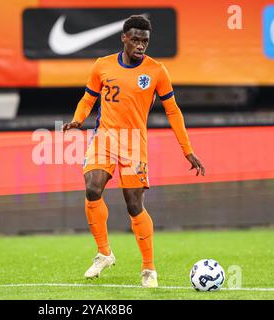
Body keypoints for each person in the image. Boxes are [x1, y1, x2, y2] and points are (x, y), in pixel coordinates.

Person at [62, 15, 205, 288]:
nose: (141, 45)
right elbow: (88, 98)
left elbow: (173, 111)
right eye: (136, 40)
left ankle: (149, 268)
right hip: (104, 138)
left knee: (133, 204)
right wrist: (78, 119)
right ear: (124, 38)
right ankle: (104, 252)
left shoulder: (157, 71)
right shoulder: (102, 66)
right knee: (92, 189)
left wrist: (187, 150)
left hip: (134, 144)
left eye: (145, 41)